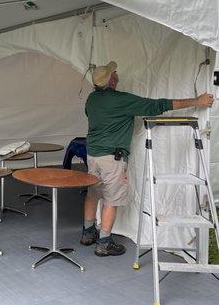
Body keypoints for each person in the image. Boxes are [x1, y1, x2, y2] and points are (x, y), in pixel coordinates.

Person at [80, 61, 214, 256]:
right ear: (111, 80)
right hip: (112, 159)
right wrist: (196, 101)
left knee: (93, 194)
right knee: (111, 198)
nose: (116, 74)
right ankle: (104, 243)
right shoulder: (121, 100)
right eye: (113, 73)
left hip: (92, 155)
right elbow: (157, 106)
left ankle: (87, 233)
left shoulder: (91, 99)